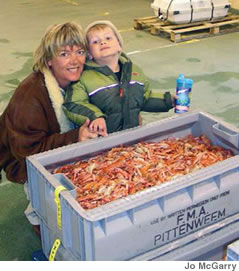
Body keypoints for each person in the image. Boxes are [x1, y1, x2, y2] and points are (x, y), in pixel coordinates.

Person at [0, 22, 101, 230]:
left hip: (46, 144)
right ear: (48, 60)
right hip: (20, 159)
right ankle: (38, 215)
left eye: (80, 52)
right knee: (58, 221)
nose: (75, 61)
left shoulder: (82, 82)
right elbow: (27, 153)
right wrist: (75, 137)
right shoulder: (30, 96)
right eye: (64, 54)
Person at [63, 20, 174, 135]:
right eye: (95, 41)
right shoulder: (84, 78)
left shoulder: (134, 71)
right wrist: (94, 117)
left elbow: (145, 97)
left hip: (132, 136)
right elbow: (73, 104)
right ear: (89, 54)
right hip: (103, 140)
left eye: (108, 38)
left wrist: (169, 100)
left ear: (119, 46)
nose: (103, 42)